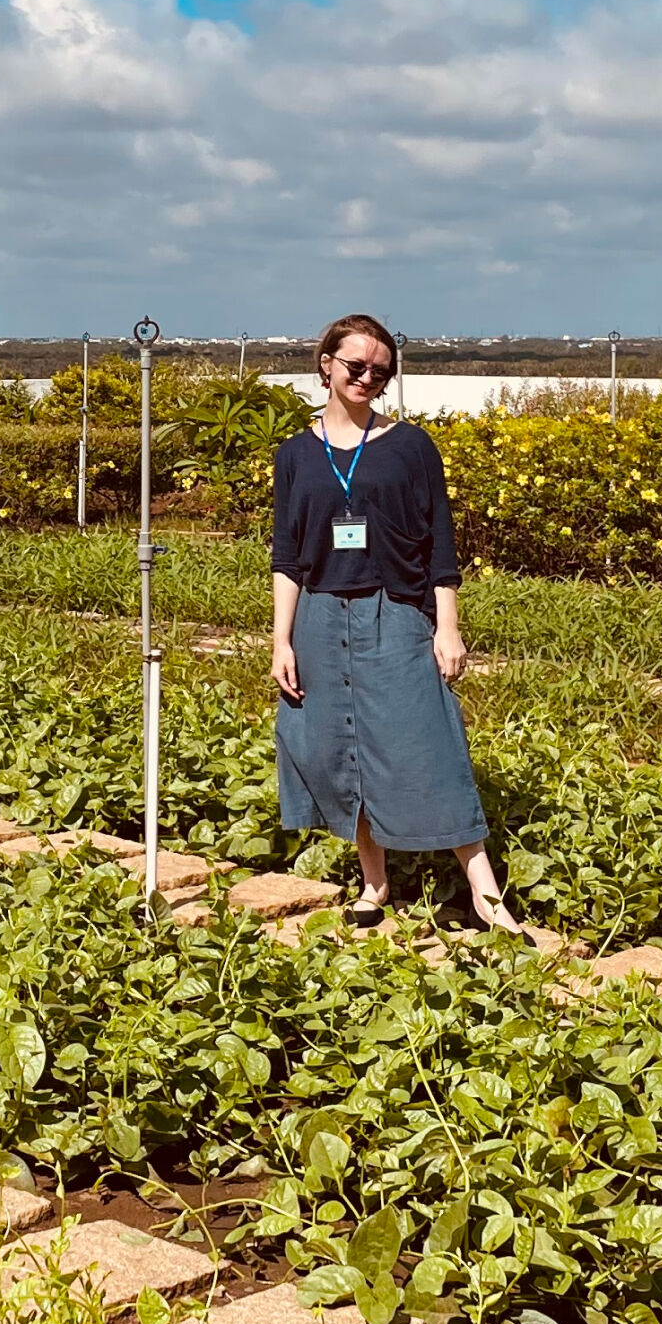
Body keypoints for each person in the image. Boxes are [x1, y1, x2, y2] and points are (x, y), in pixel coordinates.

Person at [270, 314, 521, 931]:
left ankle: (487, 897)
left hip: (398, 613)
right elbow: (288, 555)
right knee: (339, 749)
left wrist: (447, 624)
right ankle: (373, 882)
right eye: (355, 365)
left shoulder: (410, 447)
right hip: (320, 619)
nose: (367, 378)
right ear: (325, 362)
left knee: (429, 745)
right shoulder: (296, 454)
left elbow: (440, 542)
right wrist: (280, 639)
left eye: (380, 371)